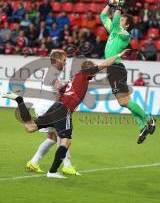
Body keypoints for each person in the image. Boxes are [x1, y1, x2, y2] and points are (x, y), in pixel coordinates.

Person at [2, 50, 128, 178]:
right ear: (90, 70)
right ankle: (53, 171)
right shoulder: (84, 74)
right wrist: (118, 55)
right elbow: (103, 64)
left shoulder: (74, 78)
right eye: (94, 72)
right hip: (64, 110)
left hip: (56, 107)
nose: (96, 74)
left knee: (30, 127)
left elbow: (62, 89)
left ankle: (19, 100)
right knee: (65, 142)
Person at [100, 0, 155, 144]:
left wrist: (119, 6)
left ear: (127, 25)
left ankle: (148, 118)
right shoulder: (114, 30)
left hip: (116, 68)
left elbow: (115, 20)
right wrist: (110, 4)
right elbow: (103, 16)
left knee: (123, 101)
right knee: (125, 101)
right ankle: (142, 125)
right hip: (112, 69)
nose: (119, 19)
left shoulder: (124, 34)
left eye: (123, 19)